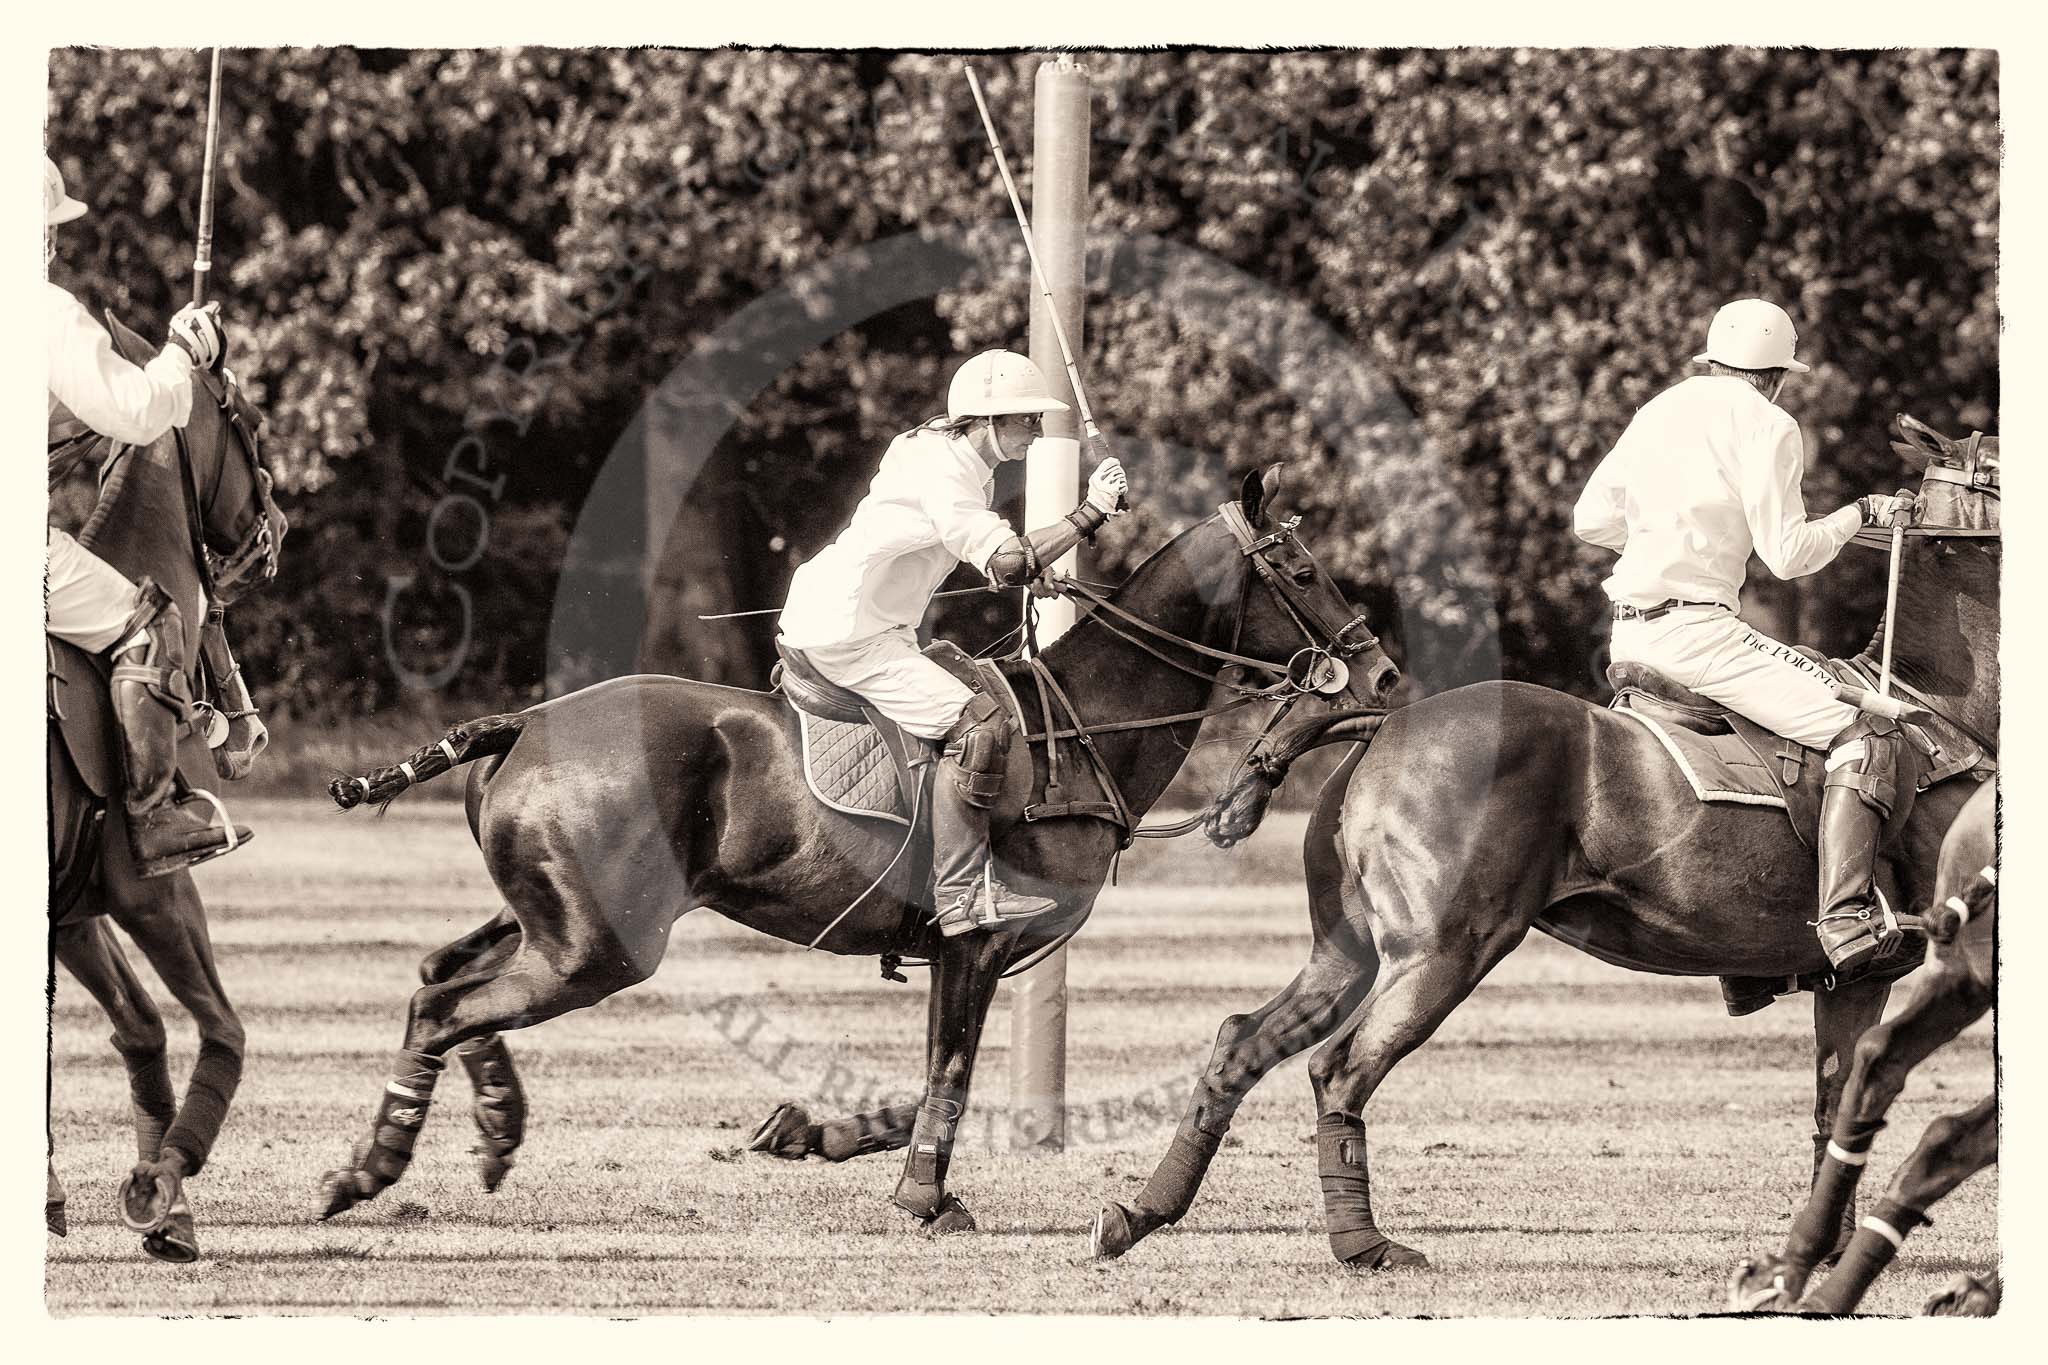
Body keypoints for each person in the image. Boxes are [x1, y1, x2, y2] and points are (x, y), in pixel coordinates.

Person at [1573, 298, 1918, 985]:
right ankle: (1846, 916)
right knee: (1869, 729)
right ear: (1777, 376)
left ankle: (1757, 954)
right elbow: (1788, 554)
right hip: (1699, 637)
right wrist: (1860, 514)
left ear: (1714, 360)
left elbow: (1590, 520)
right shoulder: (1770, 423)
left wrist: (1667, 538)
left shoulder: (1660, 408)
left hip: (1629, 635)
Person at [779, 349, 1128, 938]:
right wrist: (1090, 511)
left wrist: (1026, 567)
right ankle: (961, 893)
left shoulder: (957, 462)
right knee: (981, 726)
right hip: (849, 633)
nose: (1038, 430)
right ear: (986, 420)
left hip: (854, 621)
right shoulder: (945, 472)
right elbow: (1008, 556)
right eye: (1027, 419)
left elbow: (990, 559)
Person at [45, 153, 249, 877]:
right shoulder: (41, 311)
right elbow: (133, 412)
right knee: (149, 618)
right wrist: (181, 354)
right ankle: (155, 815)